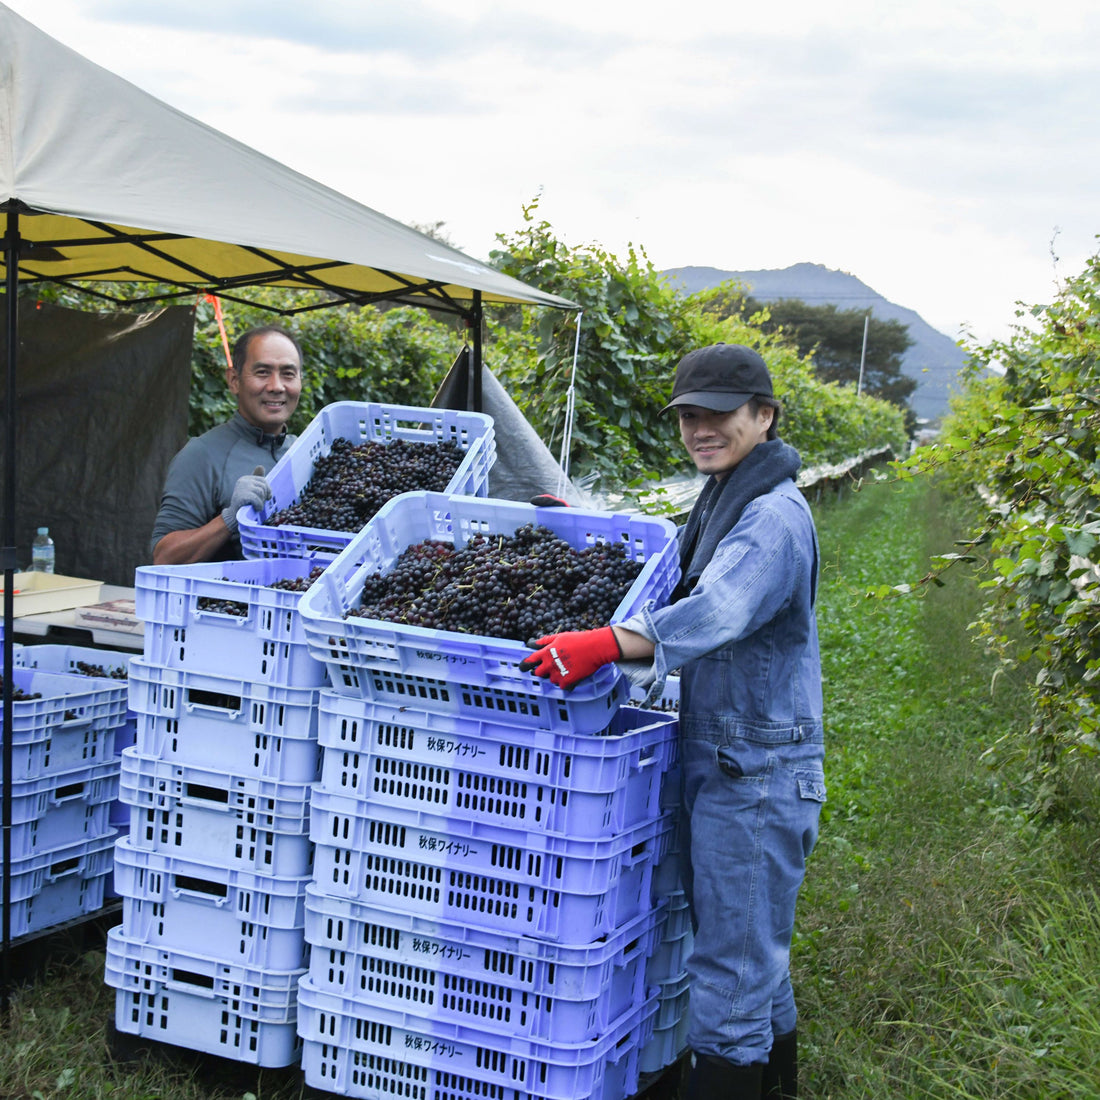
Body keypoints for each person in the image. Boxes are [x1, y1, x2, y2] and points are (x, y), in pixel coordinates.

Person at [521, 343, 825, 1099]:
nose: (700, 428)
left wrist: (604, 642)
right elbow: (678, 559)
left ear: (764, 415)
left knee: (729, 972)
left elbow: (716, 606)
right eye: (690, 414)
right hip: (729, 753)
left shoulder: (773, 519)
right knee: (748, 949)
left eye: (718, 414)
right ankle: (778, 1085)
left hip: (756, 774)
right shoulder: (730, 493)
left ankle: (731, 1077)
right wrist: (592, 523)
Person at [150, 324, 303, 564]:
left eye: (288, 373)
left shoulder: (305, 452)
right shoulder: (202, 455)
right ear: (234, 380)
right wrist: (230, 518)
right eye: (262, 372)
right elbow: (164, 558)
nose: (276, 386)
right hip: (229, 602)